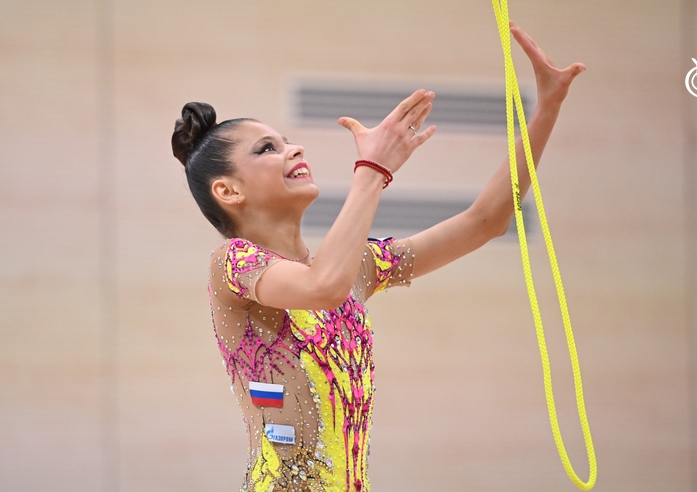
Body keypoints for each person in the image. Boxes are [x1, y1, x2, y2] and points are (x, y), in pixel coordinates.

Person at [171, 20, 585, 492]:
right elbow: (321, 289)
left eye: (287, 140)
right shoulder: (232, 265)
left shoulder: (358, 268)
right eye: (269, 148)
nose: (294, 148)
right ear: (227, 190)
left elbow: (485, 221)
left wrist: (547, 107)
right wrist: (372, 171)